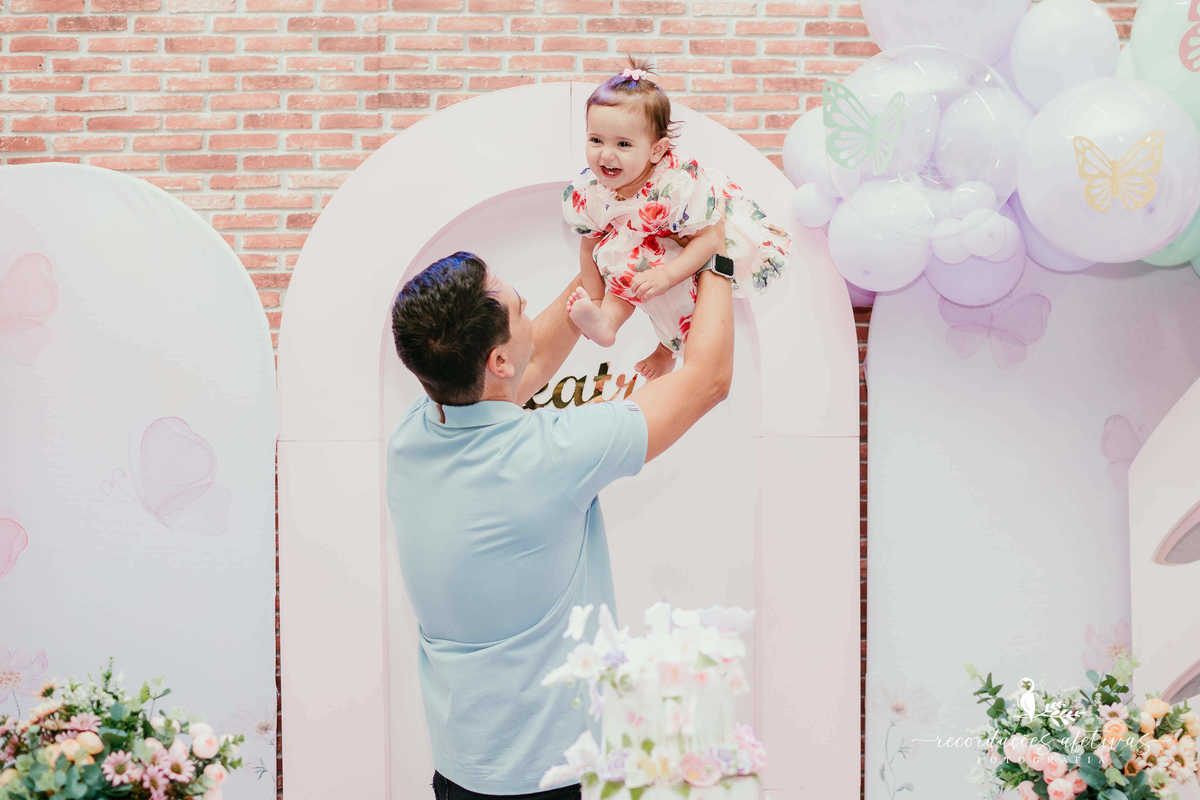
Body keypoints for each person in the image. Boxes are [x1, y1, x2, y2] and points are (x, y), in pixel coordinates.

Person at [386, 220, 734, 799]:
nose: (529, 310)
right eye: (520, 306)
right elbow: (708, 380)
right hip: (554, 781)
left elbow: (529, 362)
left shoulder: (412, 436)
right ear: (497, 360)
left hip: (460, 772)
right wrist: (718, 258)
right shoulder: (551, 454)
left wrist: (606, 265)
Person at [562, 56, 791, 379]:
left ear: (656, 151)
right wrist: (596, 299)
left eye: (623, 144)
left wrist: (667, 275)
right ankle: (606, 323)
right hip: (642, 237)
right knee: (619, 261)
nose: (606, 154)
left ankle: (666, 350)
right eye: (596, 140)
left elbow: (710, 239)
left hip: (695, 237)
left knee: (683, 294)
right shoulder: (590, 190)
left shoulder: (676, 186)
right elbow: (588, 247)